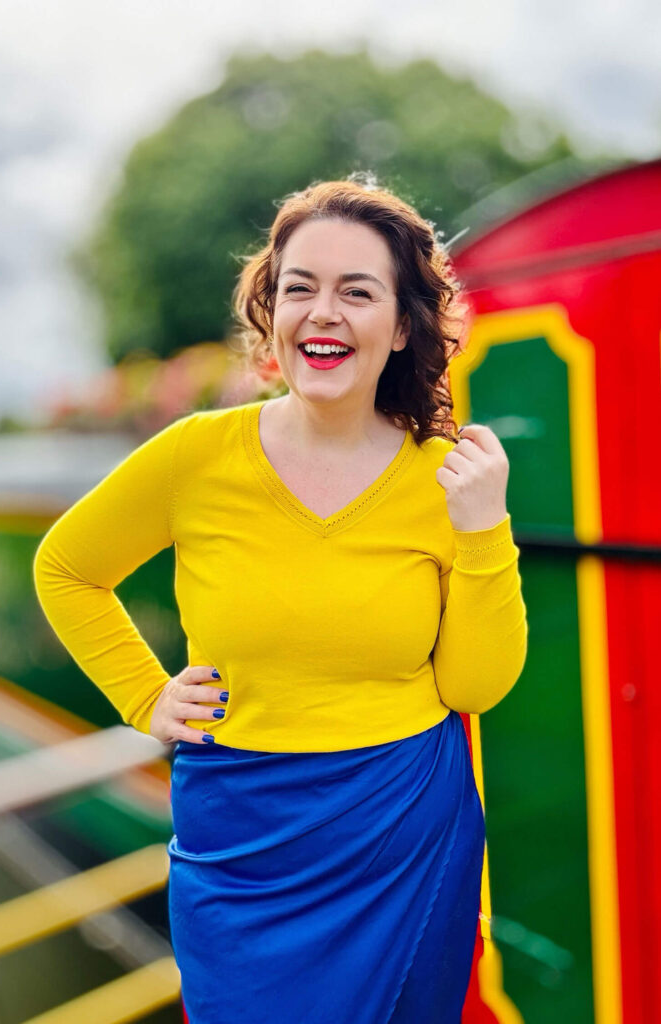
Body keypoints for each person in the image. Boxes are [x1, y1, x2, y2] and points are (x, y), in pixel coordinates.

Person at [33, 174, 528, 1024]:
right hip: (241, 841)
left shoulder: (446, 479)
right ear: (271, 313)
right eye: (299, 287)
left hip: (403, 830)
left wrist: (484, 530)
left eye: (356, 291)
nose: (322, 311)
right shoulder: (196, 455)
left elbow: (474, 690)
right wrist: (145, 696)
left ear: (404, 326)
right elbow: (66, 569)